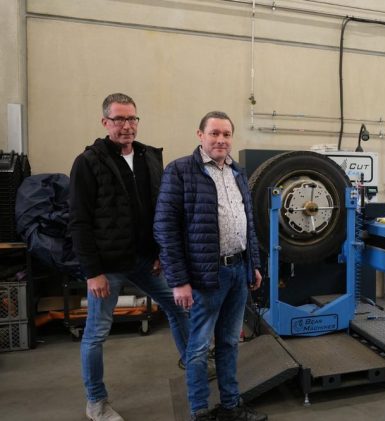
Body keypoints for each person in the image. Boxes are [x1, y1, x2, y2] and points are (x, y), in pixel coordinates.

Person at [69, 93, 189, 421]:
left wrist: (160, 251)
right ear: (105, 122)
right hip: (107, 267)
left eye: (132, 118)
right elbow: (79, 221)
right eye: (119, 119)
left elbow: (161, 211)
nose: (127, 126)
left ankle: (194, 366)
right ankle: (96, 402)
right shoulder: (88, 162)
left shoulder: (150, 157)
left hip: (145, 260)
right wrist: (92, 272)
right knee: (96, 333)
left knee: (179, 307)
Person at [154, 111, 266, 421]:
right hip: (205, 275)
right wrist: (178, 281)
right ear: (200, 135)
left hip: (238, 270)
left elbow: (248, 222)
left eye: (226, 134)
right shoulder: (180, 171)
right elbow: (165, 228)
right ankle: (199, 412)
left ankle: (230, 406)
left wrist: (254, 264)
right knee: (199, 347)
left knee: (230, 342)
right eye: (214, 133)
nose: (220, 140)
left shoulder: (237, 172)